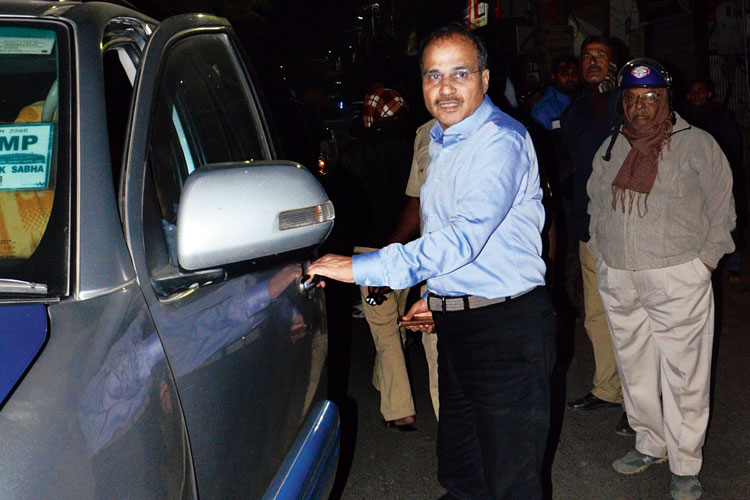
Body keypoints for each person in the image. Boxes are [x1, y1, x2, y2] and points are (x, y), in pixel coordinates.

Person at [307, 24, 556, 500]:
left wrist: (357, 268)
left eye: (460, 73)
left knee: (511, 478)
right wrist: (438, 294)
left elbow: (463, 237)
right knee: (461, 469)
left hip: (505, 328)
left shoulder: (498, 141)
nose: (445, 88)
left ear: (485, 78)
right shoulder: (442, 139)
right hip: (459, 323)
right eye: (433, 75)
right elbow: (443, 231)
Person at [588, 58, 735, 500]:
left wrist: (704, 263)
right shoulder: (612, 144)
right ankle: (650, 443)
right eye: (632, 98)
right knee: (633, 367)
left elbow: (722, 208)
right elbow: (595, 200)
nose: (640, 107)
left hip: (677, 274)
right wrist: (601, 253)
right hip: (620, 274)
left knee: (685, 372)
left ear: (666, 99)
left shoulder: (697, 143)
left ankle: (685, 461)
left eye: (650, 97)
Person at [560, 35, 632, 435]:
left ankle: (639, 401)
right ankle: (607, 388)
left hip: (626, 227)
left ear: (615, 63)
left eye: (601, 56)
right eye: (587, 55)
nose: (592, 61)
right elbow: (571, 165)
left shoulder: (631, 104)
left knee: (631, 317)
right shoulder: (574, 111)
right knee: (595, 314)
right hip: (589, 226)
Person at [337, 87, 417, 429]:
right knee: (398, 318)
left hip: (371, 252)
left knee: (384, 329)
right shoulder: (419, 145)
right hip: (411, 248)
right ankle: (384, 382)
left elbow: (345, 208)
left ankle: (400, 411)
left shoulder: (356, 152)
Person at [683, 78, 745, 282]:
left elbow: (733, 145)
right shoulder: (683, 117)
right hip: (694, 178)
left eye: (701, 91)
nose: (697, 95)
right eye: (693, 92)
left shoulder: (722, 115)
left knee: (727, 218)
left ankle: (734, 264)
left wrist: (728, 173)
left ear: (709, 94)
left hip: (721, 174)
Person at [531, 55, 580, 131]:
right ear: (553, 77)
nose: (570, 78)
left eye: (574, 74)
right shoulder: (543, 110)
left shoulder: (584, 101)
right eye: (564, 74)